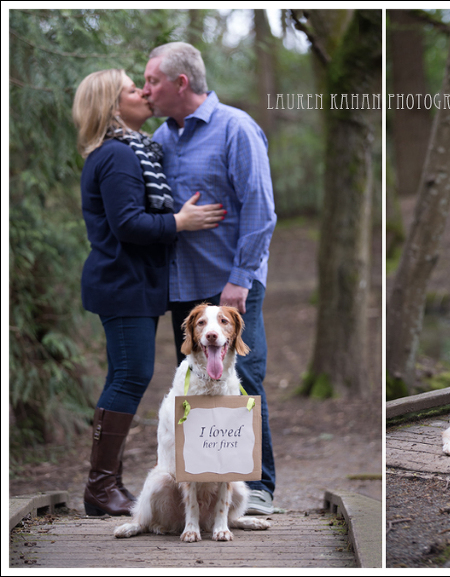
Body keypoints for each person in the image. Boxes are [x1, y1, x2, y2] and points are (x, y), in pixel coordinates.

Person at [73, 69, 224, 516]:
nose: (142, 92)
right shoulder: (118, 155)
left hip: (130, 283)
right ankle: (101, 489)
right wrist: (180, 221)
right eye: (130, 89)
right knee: (130, 375)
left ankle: (105, 486)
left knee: (125, 375)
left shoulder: (128, 150)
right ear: (112, 106)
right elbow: (128, 224)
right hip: (123, 283)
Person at [142, 42, 278, 515]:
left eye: (152, 81)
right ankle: (202, 492)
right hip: (184, 287)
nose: (146, 90)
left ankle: (256, 487)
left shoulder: (235, 128)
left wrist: (240, 279)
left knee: (244, 379)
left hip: (231, 284)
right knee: (193, 385)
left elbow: (261, 211)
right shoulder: (159, 138)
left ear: (181, 83)